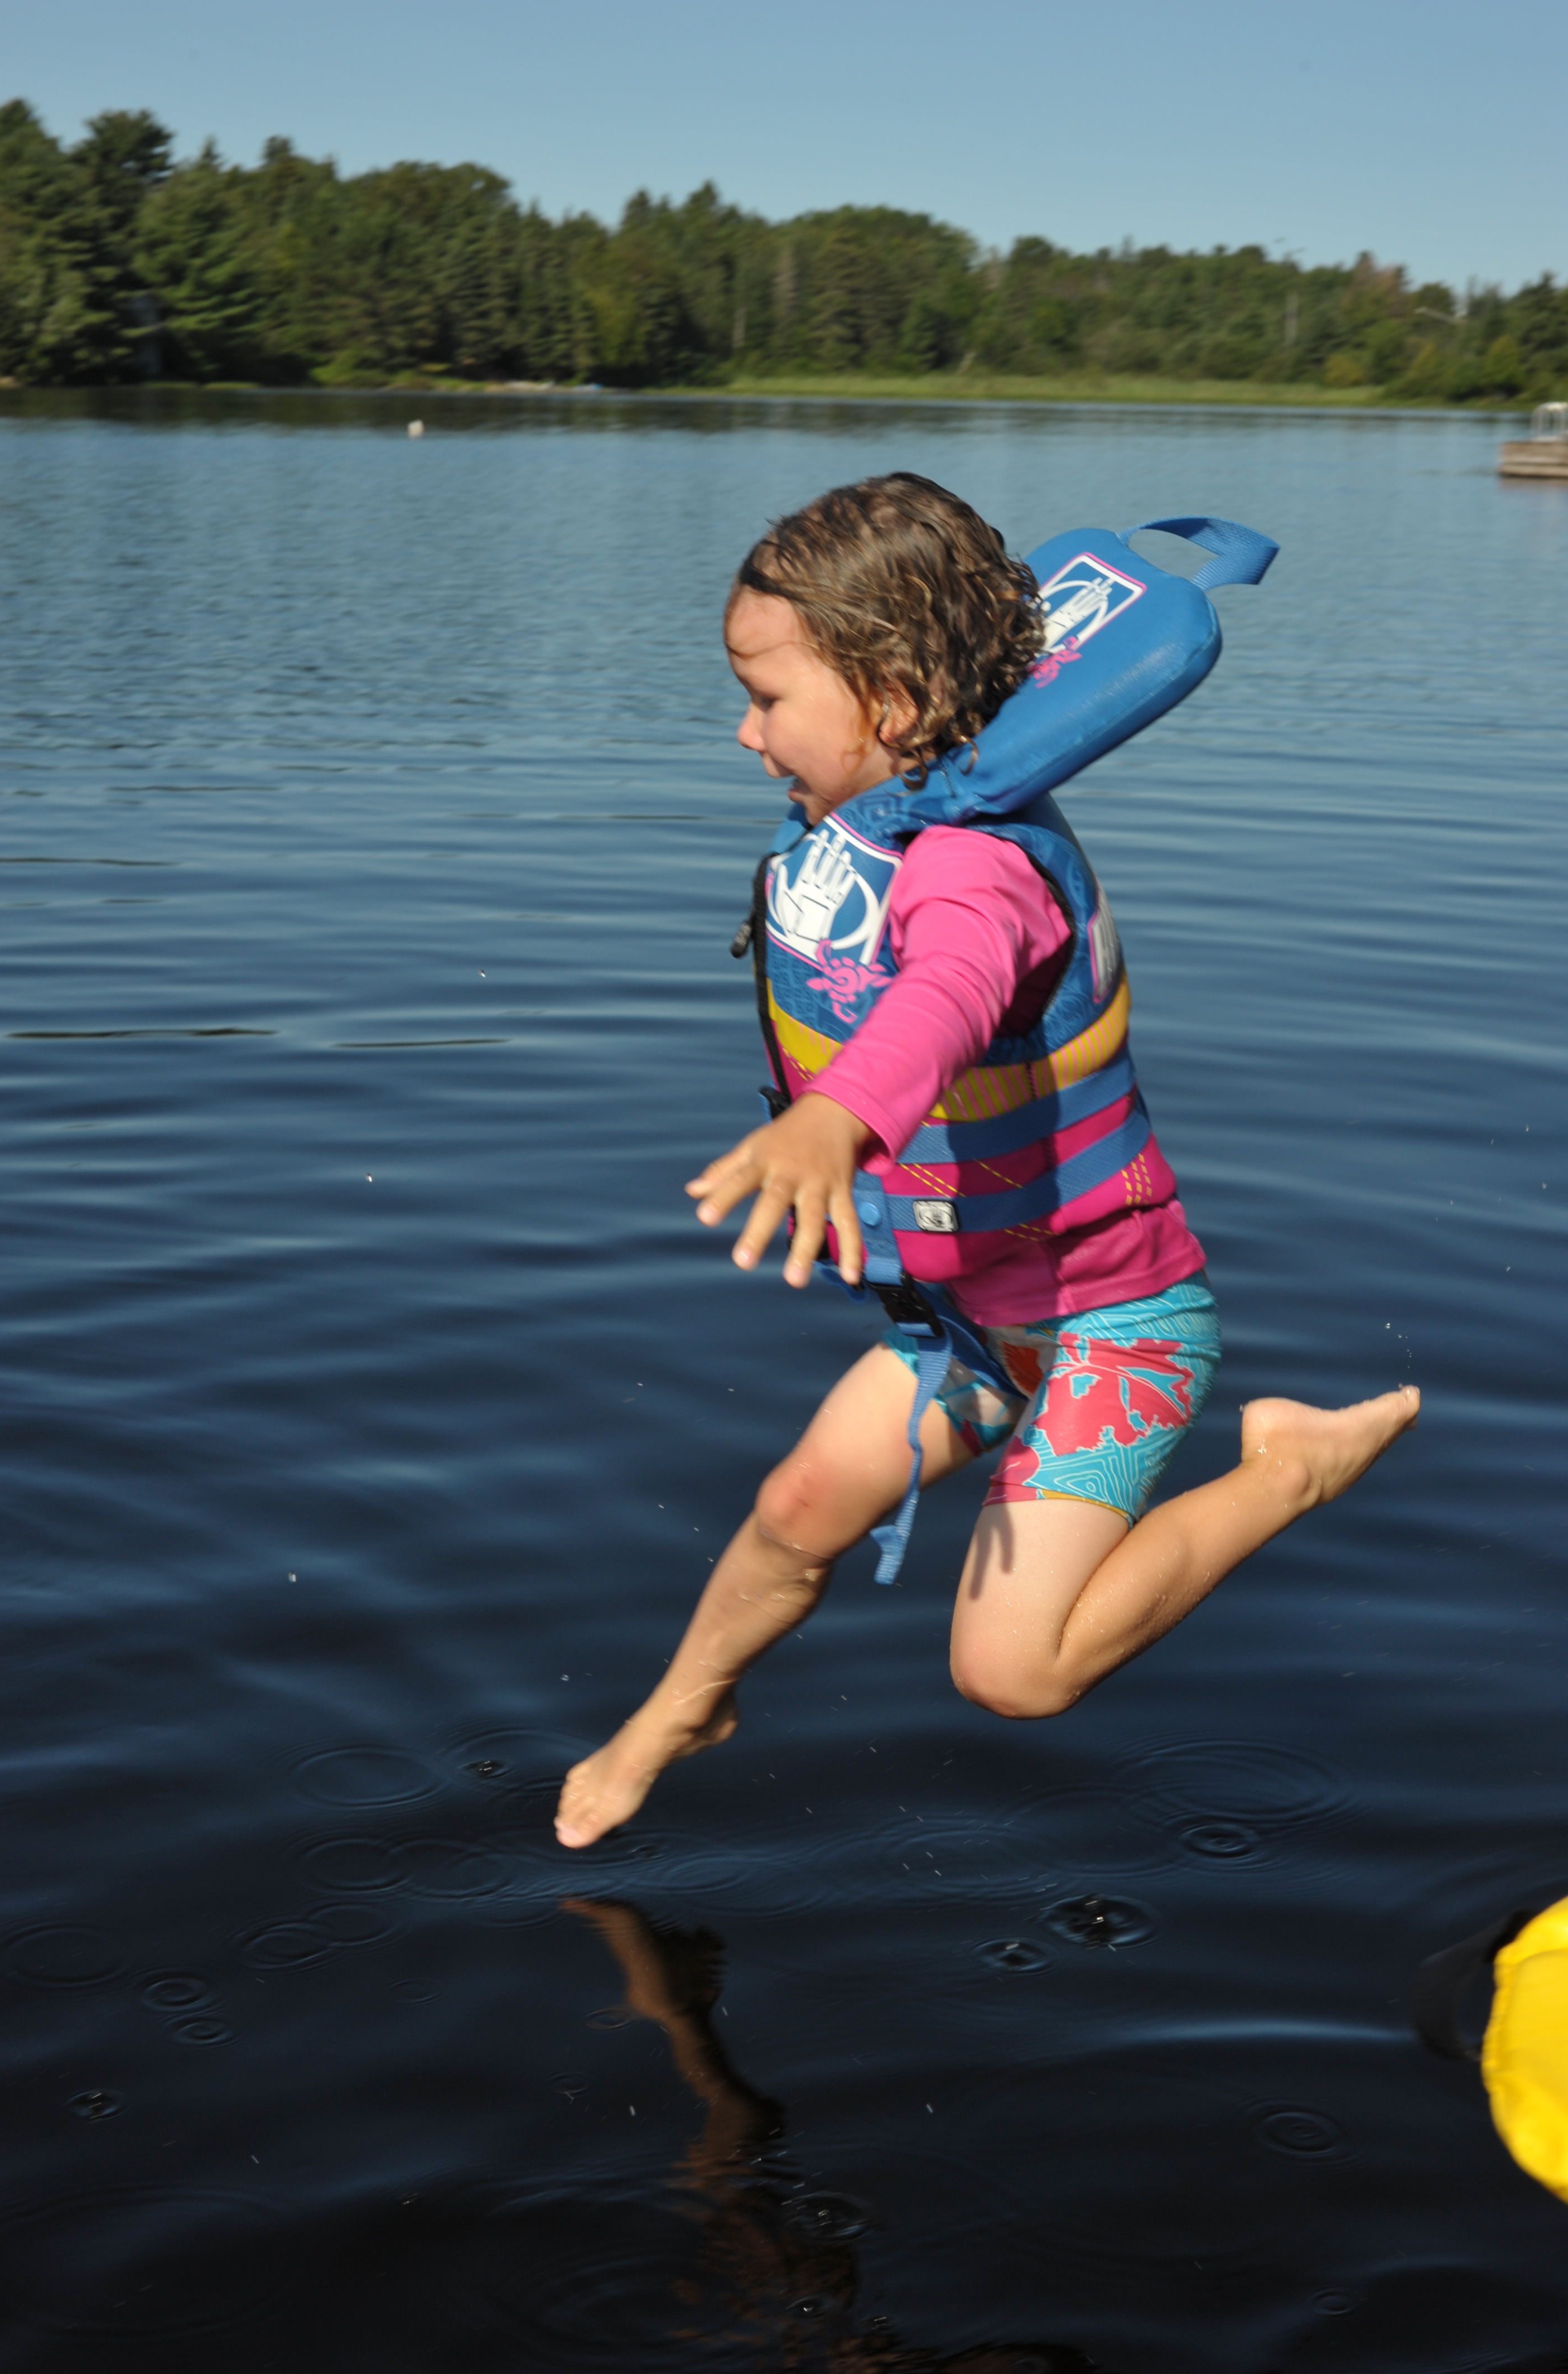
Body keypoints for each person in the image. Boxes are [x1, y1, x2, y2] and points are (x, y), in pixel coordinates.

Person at [556, 474, 1417, 1852]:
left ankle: (1290, 1468)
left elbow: (944, 998)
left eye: (766, 698)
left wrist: (839, 1119)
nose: (745, 730)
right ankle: (683, 1709)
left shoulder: (974, 868)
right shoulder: (866, 830)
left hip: (1110, 1325)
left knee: (1015, 1672)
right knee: (794, 1510)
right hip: (968, 1320)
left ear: (893, 703)